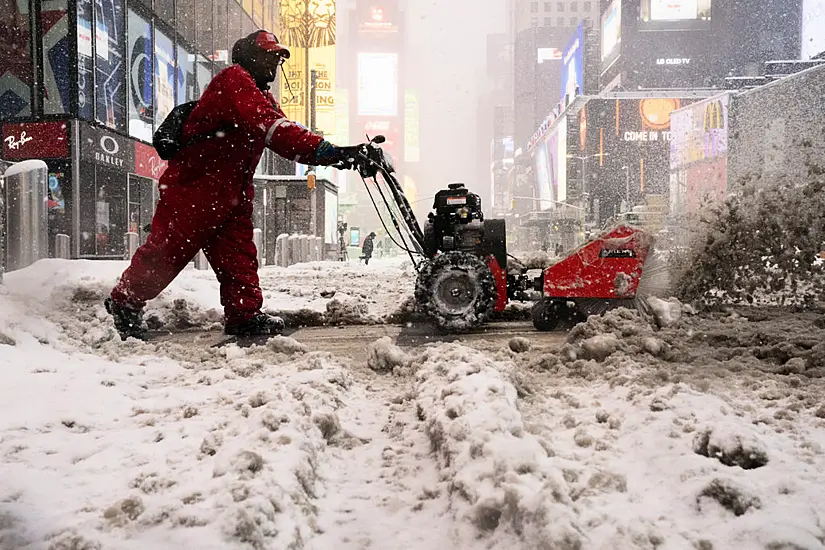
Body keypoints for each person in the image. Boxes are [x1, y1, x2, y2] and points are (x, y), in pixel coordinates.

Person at [105, 30, 352, 340]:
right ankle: (124, 302)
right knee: (166, 253)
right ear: (248, 56)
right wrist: (326, 151)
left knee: (239, 257)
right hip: (195, 190)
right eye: (267, 56)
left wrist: (335, 154)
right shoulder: (234, 80)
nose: (274, 65)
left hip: (230, 193)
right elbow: (275, 129)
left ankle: (244, 315)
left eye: (276, 58)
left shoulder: (262, 96)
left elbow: (286, 134)